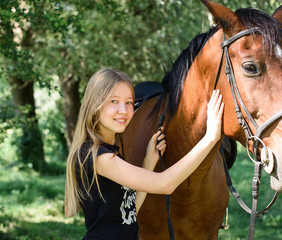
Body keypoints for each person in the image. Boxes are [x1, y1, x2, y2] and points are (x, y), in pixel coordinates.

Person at [64, 68, 224, 240]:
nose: (123, 111)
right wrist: (209, 139)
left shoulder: (110, 151)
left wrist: (148, 161)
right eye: (113, 101)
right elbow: (165, 184)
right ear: (95, 106)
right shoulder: (97, 156)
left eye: (129, 102)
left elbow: (129, 213)